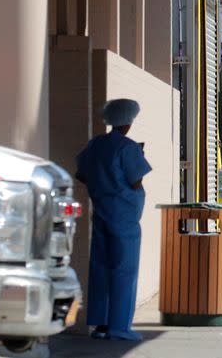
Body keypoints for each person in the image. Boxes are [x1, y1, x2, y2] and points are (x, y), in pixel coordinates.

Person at [76, 99, 152, 341]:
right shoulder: (128, 148)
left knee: (100, 267)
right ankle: (119, 327)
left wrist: (103, 187)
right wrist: (140, 154)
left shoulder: (96, 144)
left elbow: (81, 173)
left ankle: (100, 325)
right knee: (123, 270)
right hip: (125, 217)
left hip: (101, 211)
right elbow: (135, 180)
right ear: (128, 122)